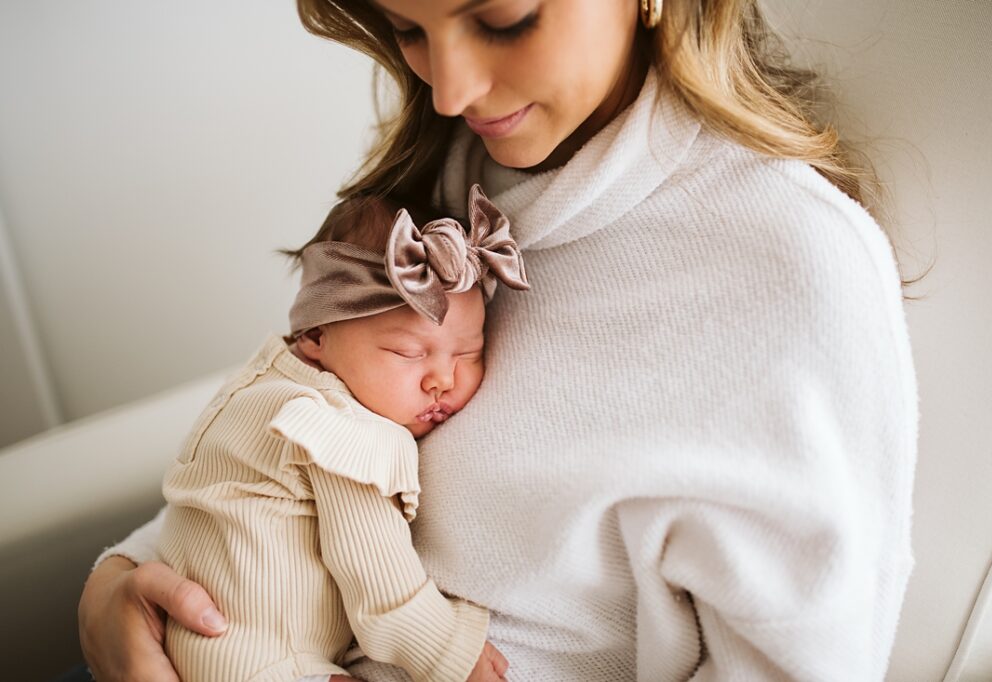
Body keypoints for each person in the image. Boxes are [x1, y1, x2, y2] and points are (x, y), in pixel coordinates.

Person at [78, 0, 919, 680]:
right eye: (409, 29)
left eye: (505, 20)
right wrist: (117, 590)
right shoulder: (445, 178)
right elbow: (289, 438)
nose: (449, 88)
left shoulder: (791, 266)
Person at [154, 188, 527, 682]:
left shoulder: (264, 383)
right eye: (407, 352)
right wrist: (451, 655)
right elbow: (379, 589)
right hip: (265, 665)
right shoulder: (344, 429)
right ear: (315, 335)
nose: (443, 379)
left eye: (468, 353)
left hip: (186, 641)